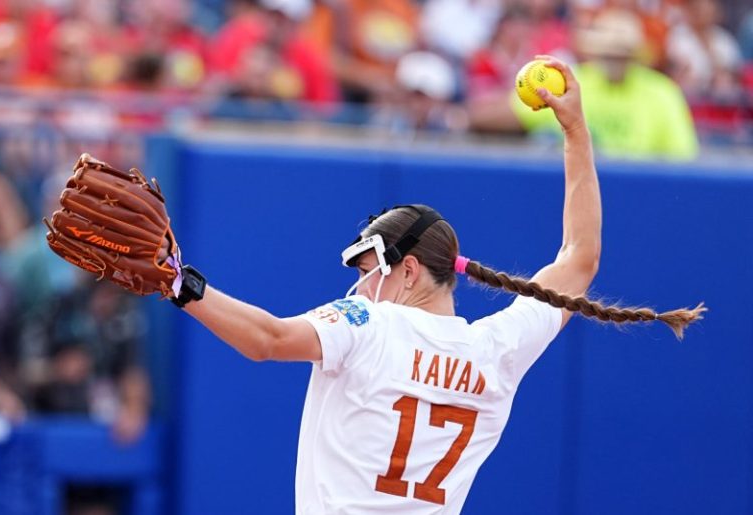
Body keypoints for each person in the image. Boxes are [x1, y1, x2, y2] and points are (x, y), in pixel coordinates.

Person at [171, 57, 704, 513]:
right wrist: (576, 131)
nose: (359, 288)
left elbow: (266, 340)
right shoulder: (495, 350)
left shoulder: (368, 323)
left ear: (408, 271)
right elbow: (580, 257)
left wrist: (181, 284)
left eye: (367, 271)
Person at [469, 9, 699, 161]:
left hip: (639, 196)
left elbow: (682, 159)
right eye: (608, 52)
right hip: (582, 188)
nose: (614, 59)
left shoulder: (662, 92)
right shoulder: (573, 82)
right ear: (597, 53)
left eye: (620, 53)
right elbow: (491, 116)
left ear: (633, 56)